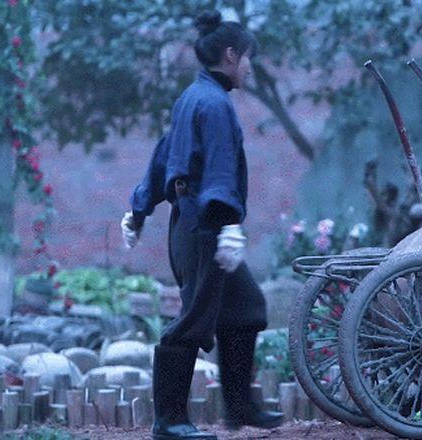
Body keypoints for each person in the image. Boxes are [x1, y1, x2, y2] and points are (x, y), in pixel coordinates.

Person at [120, 10, 283, 440]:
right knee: (193, 320)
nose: (249, 66)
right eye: (247, 57)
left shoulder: (194, 97)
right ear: (230, 55)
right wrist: (227, 225)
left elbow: (165, 155)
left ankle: (240, 406)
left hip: (194, 224)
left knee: (246, 307)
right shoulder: (214, 104)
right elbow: (219, 168)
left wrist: (140, 209)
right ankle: (169, 421)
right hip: (204, 228)